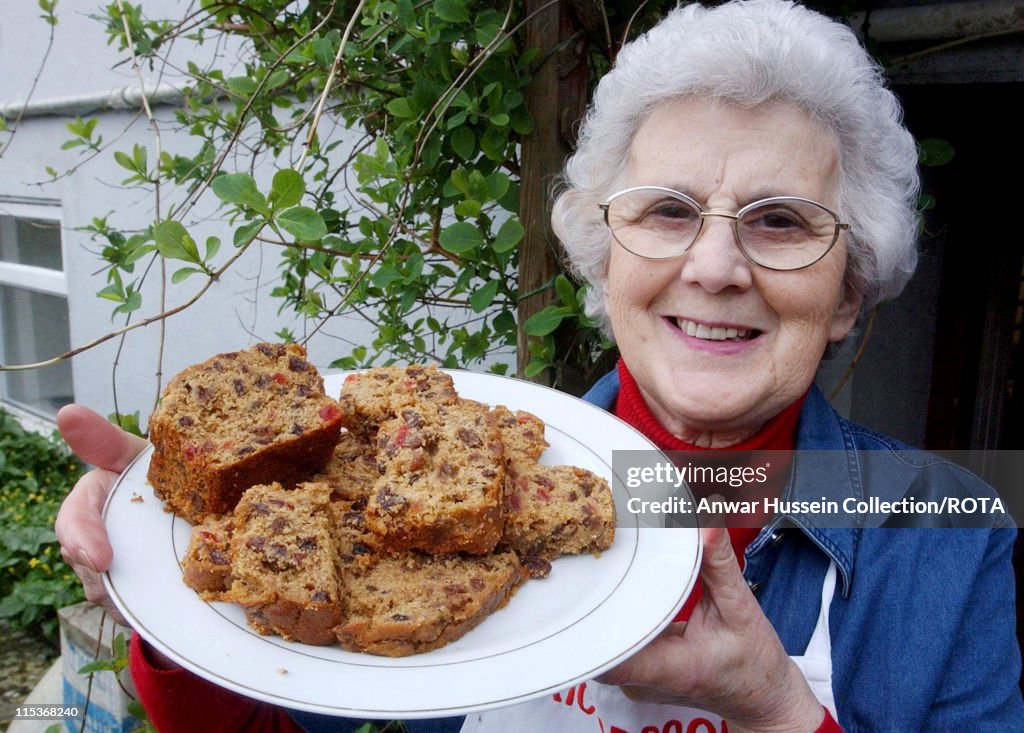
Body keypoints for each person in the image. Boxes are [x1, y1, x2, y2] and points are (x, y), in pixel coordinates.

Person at [56, 0, 1024, 731]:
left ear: (848, 290)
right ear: (607, 265)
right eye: (667, 211)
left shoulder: (951, 543)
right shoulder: (443, 496)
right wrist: (175, 600)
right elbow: (272, 715)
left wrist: (775, 708)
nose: (716, 267)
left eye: (781, 222)